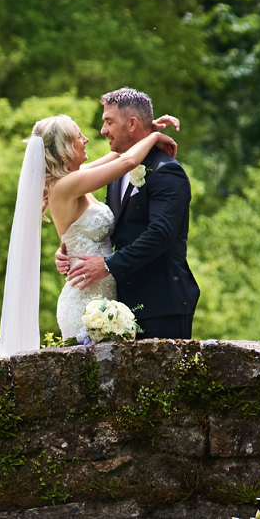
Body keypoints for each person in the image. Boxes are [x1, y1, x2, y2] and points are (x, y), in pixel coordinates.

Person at [0, 107, 178, 354]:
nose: (86, 140)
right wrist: (155, 138)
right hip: (84, 301)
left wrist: (146, 130)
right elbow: (127, 161)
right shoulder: (66, 186)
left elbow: (117, 156)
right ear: (65, 147)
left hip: (102, 293)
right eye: (79, 136)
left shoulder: (74, 177)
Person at [59, 88, 199, 340]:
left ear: (132, 124)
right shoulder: (117, 169)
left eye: (109, 121)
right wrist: (70, 249)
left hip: (161, 304)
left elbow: (161, 234)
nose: (103, 130)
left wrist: (108, 264)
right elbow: (113, 226)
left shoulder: (166, 170)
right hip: (120, 306)